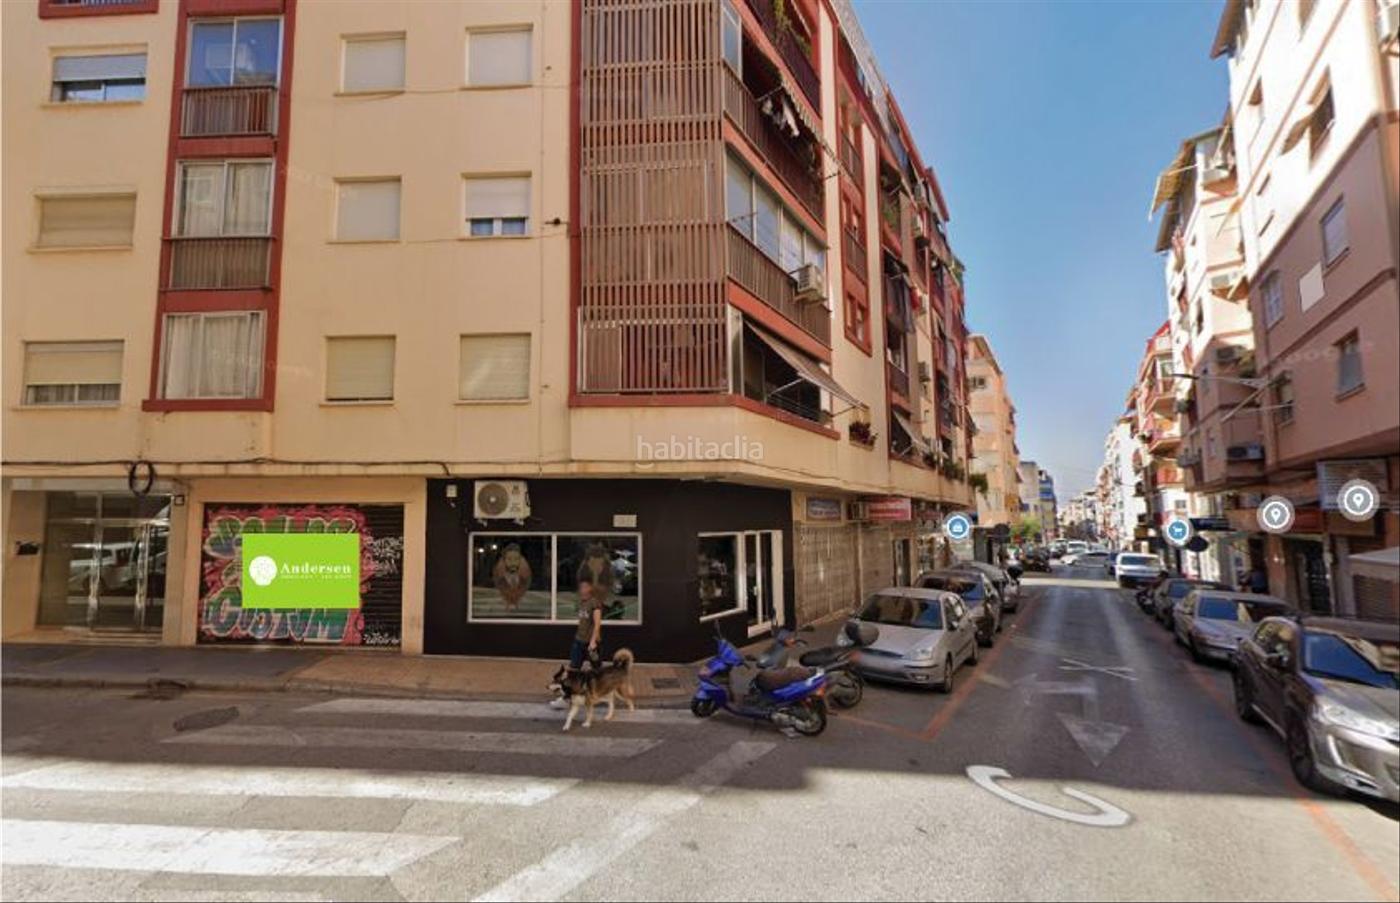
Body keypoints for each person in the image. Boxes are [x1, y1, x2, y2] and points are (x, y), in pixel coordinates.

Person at [552, 578, 603, 708]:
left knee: (597, 671)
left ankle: (598, 695)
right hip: (579, 641)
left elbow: (597, 624)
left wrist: (593, 642)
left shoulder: (594, 603)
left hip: (591, 644)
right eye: (581, 587)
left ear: (590, 589)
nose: (582, 590)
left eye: (585, 587)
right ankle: (567, 698)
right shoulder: (581, 603)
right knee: (573, 670)